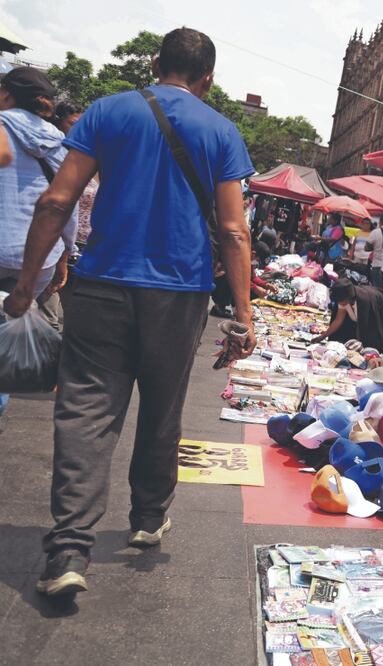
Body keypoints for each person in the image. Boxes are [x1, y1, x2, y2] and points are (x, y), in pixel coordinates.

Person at [2, 28, 256, 597]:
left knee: (86, 410)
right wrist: (243, 315)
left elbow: (57, 200)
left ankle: (69, 549)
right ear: (208, 78)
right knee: (163, 407)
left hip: (101, 284)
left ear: (155, 64)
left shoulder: (107, 111)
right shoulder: (221, 130)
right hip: (181, 292)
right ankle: (147, 518)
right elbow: (234, 230)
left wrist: (26, 285)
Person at [0, 68, 76, 300]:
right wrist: (65, 252)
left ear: (5, 94)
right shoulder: (59, 142)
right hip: (40, 259)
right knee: (16, 318)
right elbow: (68, 204)